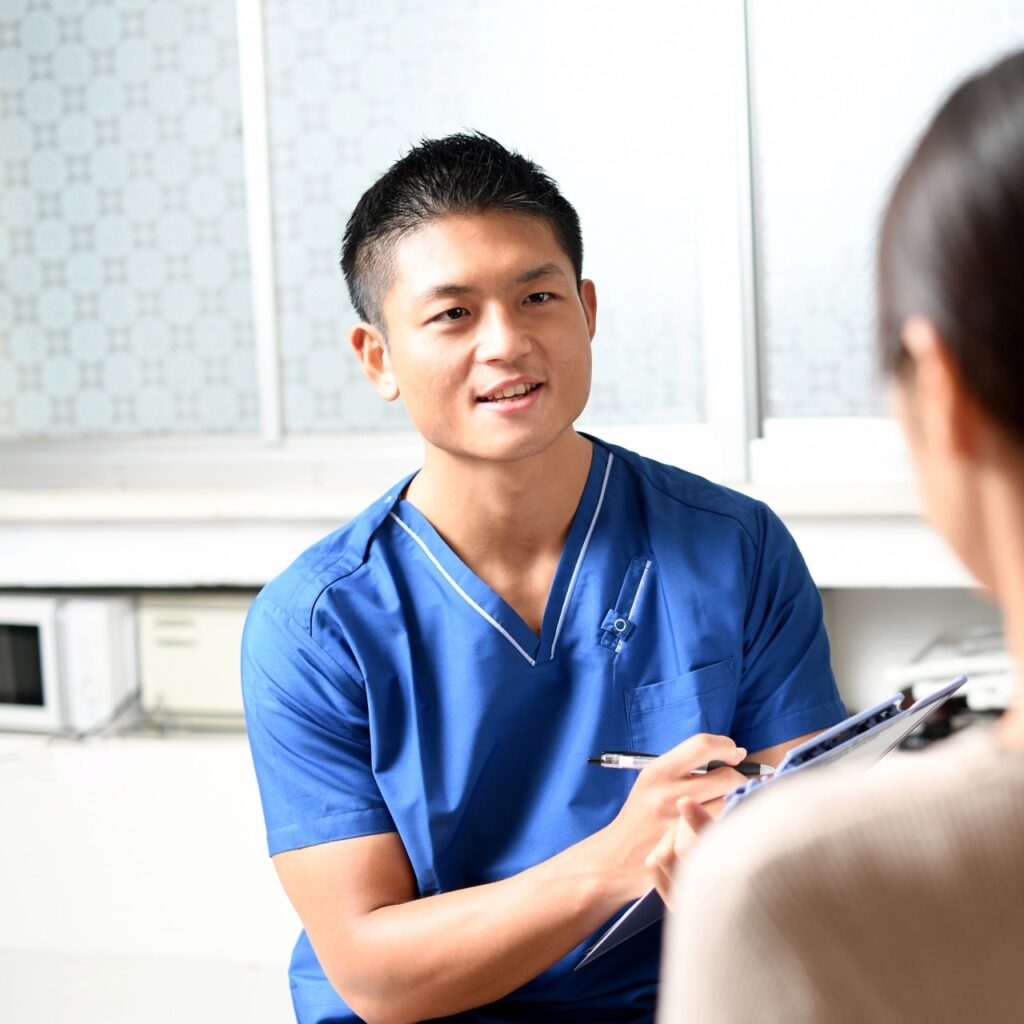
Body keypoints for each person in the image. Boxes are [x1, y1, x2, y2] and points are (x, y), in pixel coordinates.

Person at [241, 132, 846, 1024]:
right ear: (378, 359)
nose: (507, 342)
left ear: (587, 311)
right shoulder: (316, 624)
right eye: (454, 314)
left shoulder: (734, 546)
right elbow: (374, 974)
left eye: (537, 297)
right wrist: (615, 859)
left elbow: (807, 840)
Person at [654, 49, 1024, 1024]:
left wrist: (738, 897)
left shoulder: (789, 890)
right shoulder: (325, 610)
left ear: (938, 389)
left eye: (538, 295)